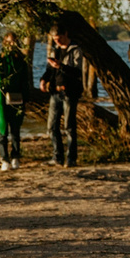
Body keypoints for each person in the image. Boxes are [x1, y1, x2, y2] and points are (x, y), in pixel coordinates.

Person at [0, 31, 31, 170]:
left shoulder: (21, 60)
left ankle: (16, 157)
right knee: (3, 129)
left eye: (14, 42)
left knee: (16, 129)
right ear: (4, 43)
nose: (12, 44)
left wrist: (26, 98)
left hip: (17, 98)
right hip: (0, 99)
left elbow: (25, 81)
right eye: (9, 41)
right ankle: (4, 159)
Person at [39, 28, 83, 167]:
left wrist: (61, 66)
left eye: (59, 38)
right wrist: (43, 79)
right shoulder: (55, 50)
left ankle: (71, 158)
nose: (57, 41)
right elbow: (49, 69)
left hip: (69, 92)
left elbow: (77, 72)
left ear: (66, 34)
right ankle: (57, 157)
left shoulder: (75, 50)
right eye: (54, 39)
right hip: (55, 92)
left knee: (69, 126)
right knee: (52, 126)